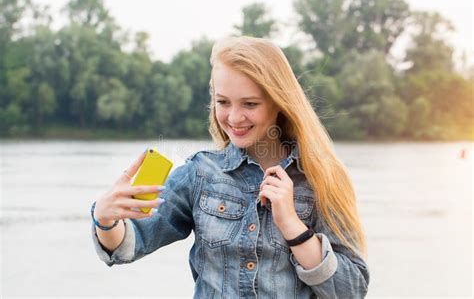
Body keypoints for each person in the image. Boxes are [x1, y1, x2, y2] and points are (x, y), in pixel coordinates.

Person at [91, 36, 369, 298]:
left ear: (279, 102)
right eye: (223, 102)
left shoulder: (321, 177)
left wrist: (293, 227)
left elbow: (351, 289)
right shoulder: (200, 173)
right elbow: (132, 243)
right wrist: (106, 220)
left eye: (250, 103)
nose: (234, 117)